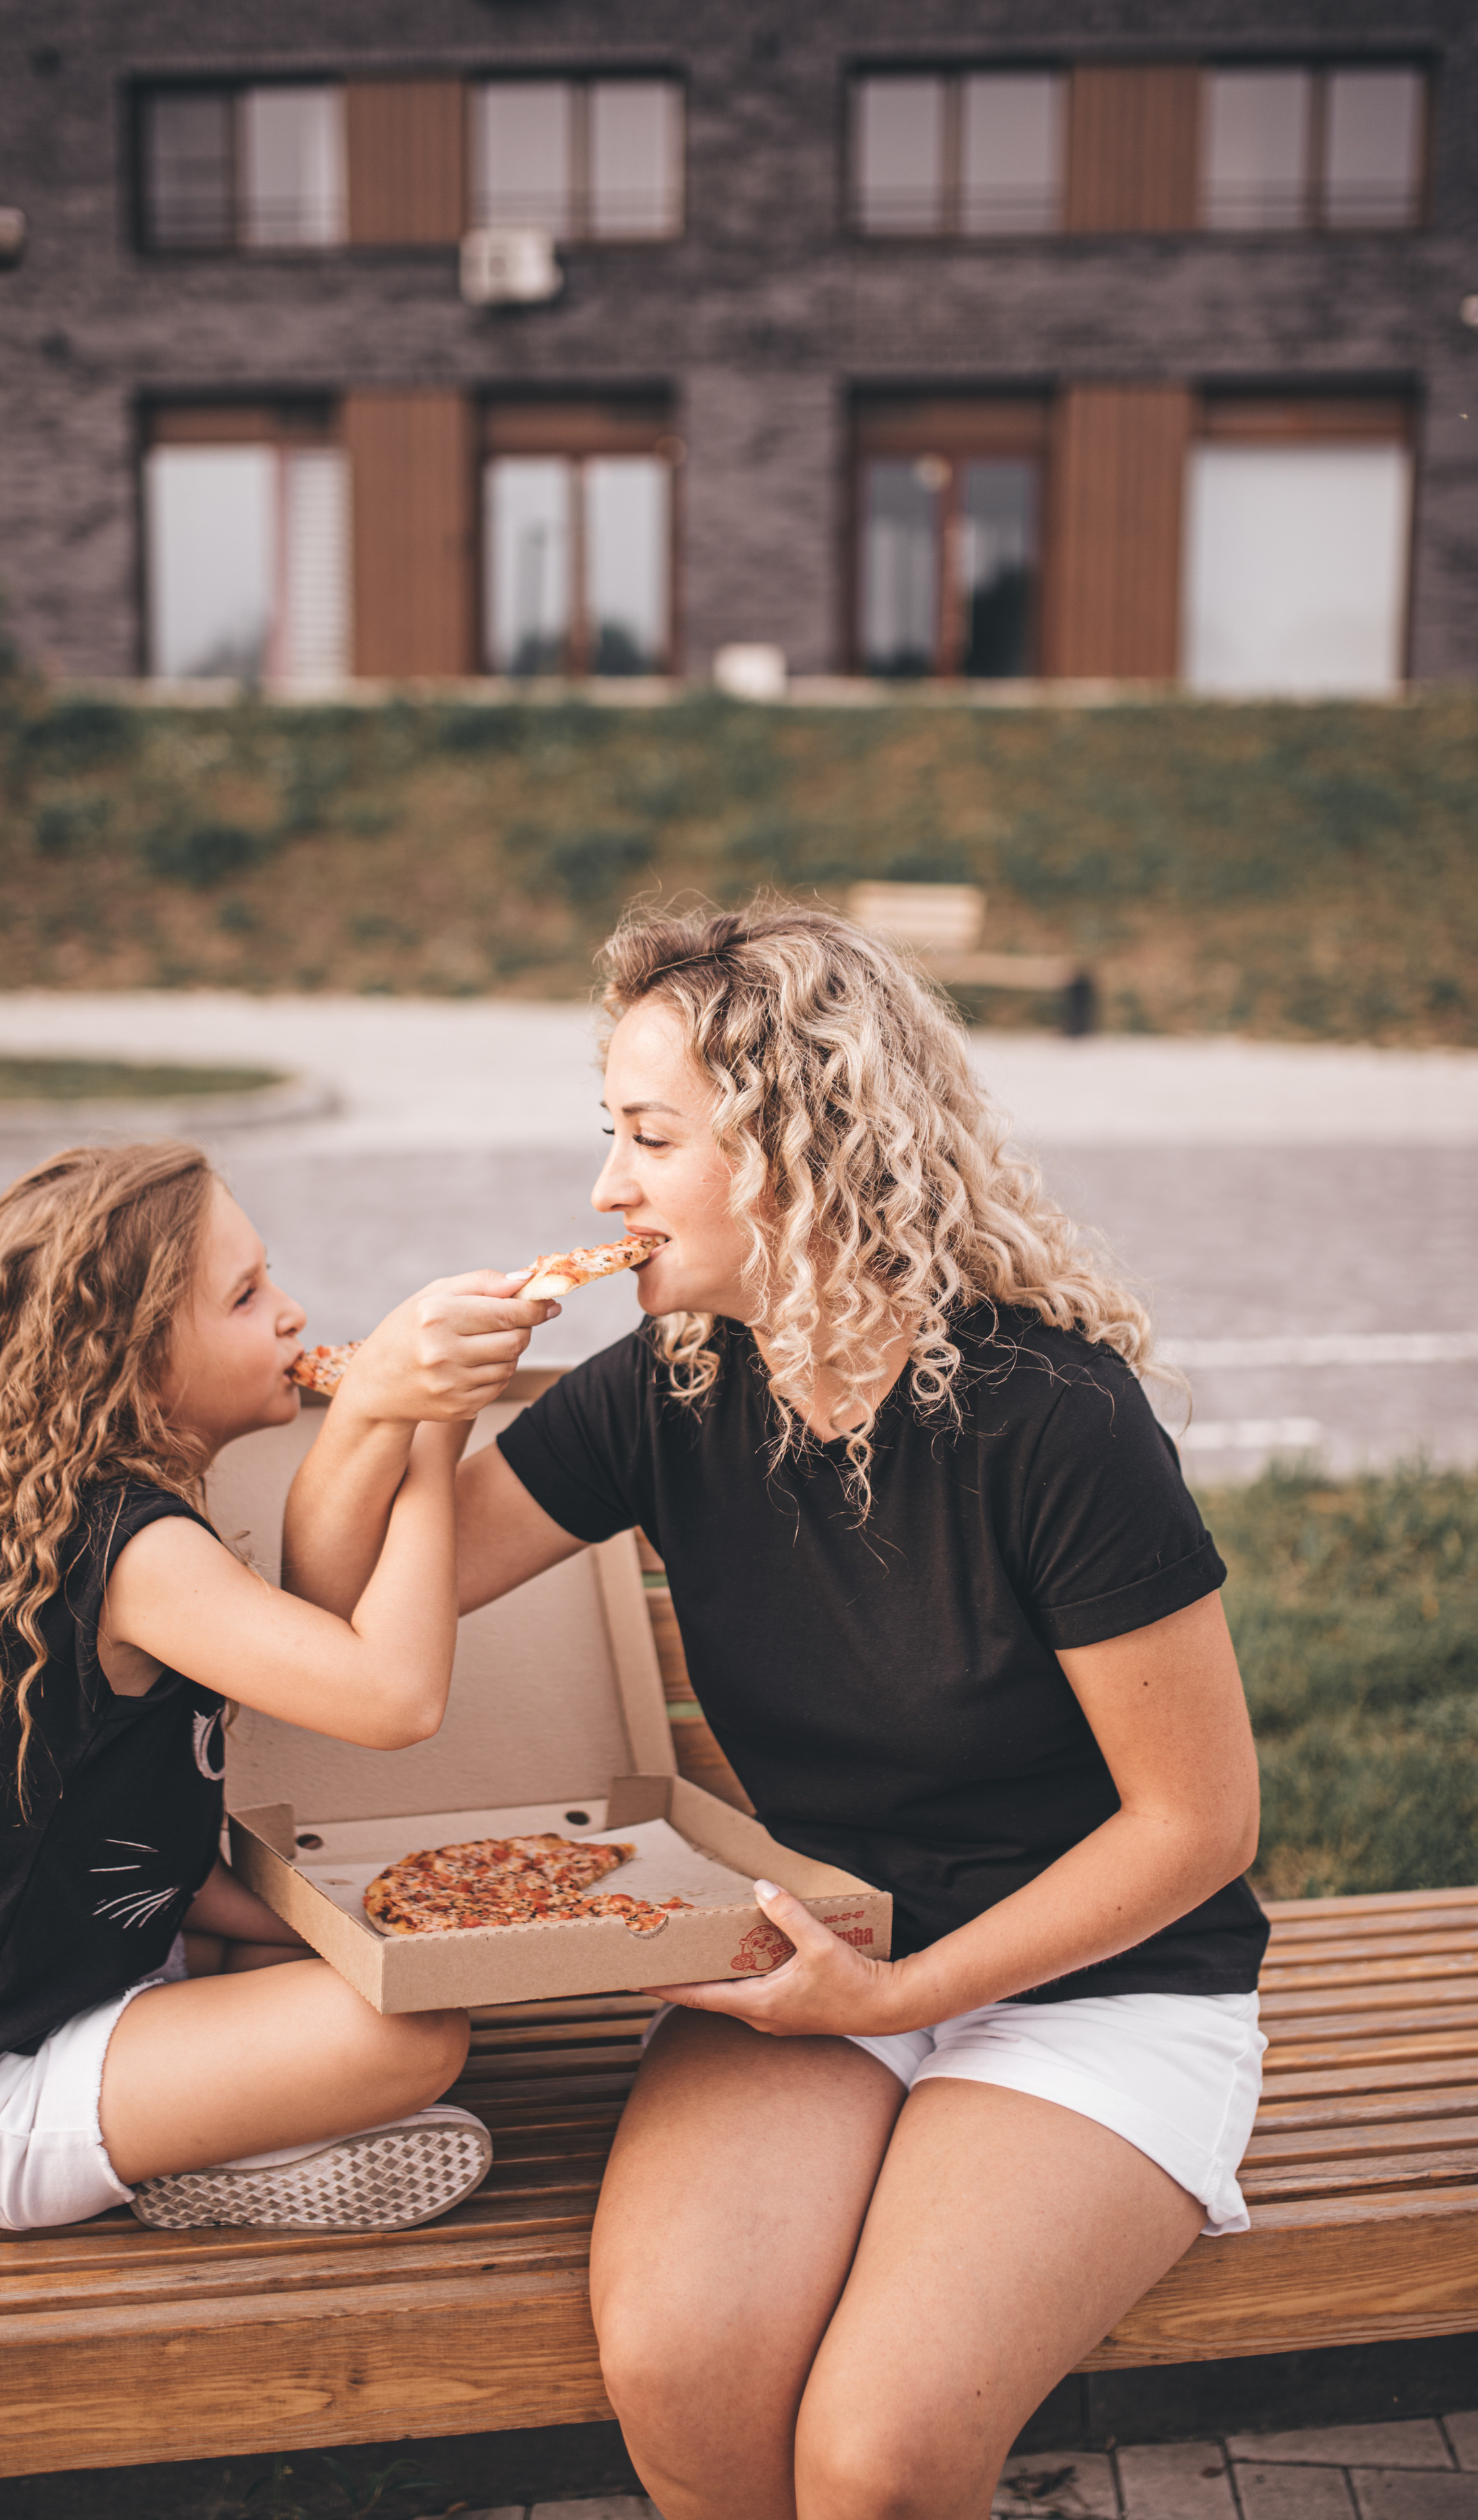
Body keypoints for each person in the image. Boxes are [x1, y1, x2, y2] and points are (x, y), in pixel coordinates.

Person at [289, 902, 1270, 2520]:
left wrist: (908, 1999)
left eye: (648, 1138)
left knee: (873, 2461)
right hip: (807, 1943)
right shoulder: (671, 1377)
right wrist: (385, 1406)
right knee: (682, 2367)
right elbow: (353, 1606)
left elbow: (1196, 1827)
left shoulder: (1053, 1421)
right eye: (608, 1134)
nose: (605, 1188)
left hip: (1101, 1983)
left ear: (796, 1145)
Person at [0, 1141, 552, 2237]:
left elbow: (134, 1850)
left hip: (101, 1982)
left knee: (393, 1963)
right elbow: (394, 1698)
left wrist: (354, 1928)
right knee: (416, 2034)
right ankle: (192, 2167)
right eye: (248, 1293)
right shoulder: (133, 1553)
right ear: (138, 1356)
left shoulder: (104, 1520)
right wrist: (434, 1426)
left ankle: (210, 2127)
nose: (294, 1314)